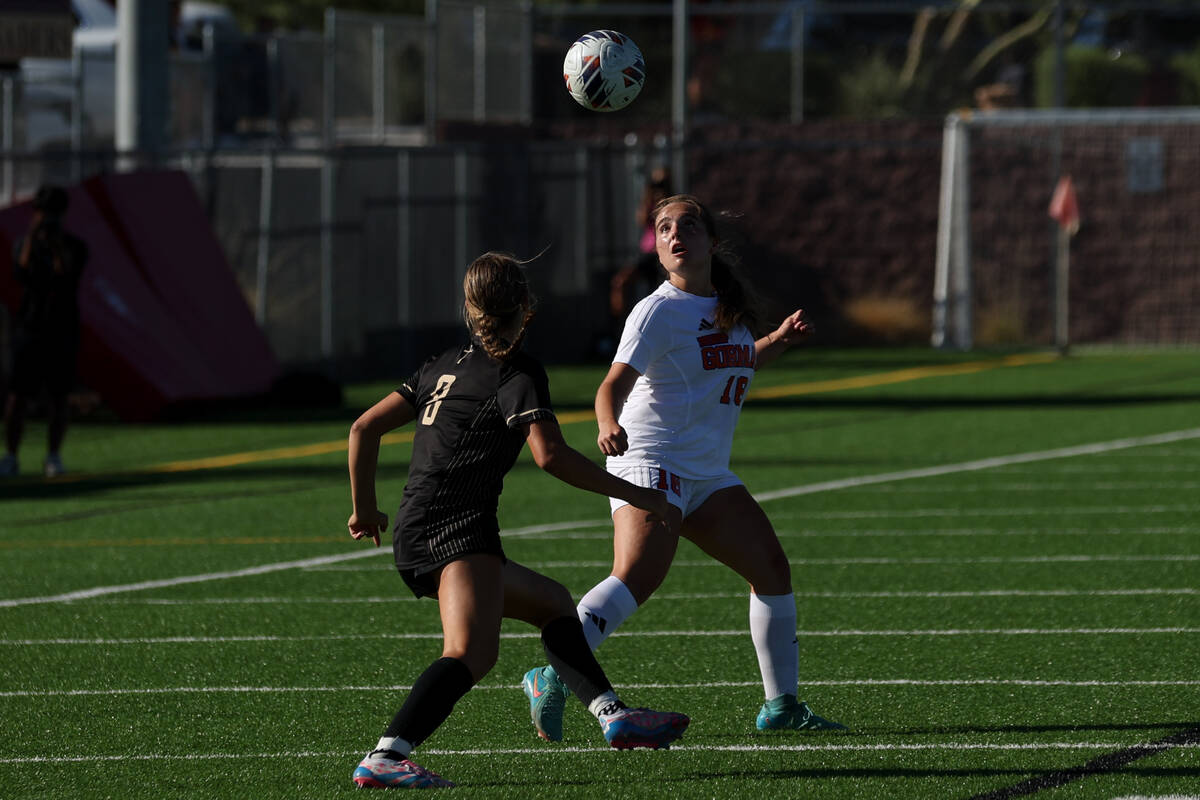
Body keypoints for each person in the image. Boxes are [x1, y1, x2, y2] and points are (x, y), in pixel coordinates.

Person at [346, 252, 689, 789]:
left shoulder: (441, 364)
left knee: (553, 602)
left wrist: (364, 510)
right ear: (526, 308)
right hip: (454, 527)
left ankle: (613, 716)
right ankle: (387, 755)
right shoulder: (518, 371)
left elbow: (363, 428)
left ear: (469, 307)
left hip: (423, 524)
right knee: (471, 653)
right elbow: (550, 456)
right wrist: (639, 495)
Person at [522, 194, 845, 742]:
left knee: (771, 568)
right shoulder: (656, 310)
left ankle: (782, 706)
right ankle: (551, 675)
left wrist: (779, 342)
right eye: (665, 227)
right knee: (640, 574)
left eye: (688, 226)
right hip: (650, 459)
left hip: (707, 473)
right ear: (661, 248)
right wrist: (606, 424)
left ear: (712, 243)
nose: (676, 235)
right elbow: (612, 385)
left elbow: (733, 360)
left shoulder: (727, 307)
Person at [1, 185, 88, 478]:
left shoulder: (73, 246)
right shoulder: (24, 244)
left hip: (61, 328)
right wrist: (32, 239)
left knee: (59, 395)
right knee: (17, 396)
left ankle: (53, 455)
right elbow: (20, 272)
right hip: (29, 326)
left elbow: (67, 271)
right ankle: (11, 455)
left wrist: (54, 244)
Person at [608, 168, 671, 330]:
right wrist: (648, 194)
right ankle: (619, 326)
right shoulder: (649, 202)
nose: (659, 187)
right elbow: (642, 220)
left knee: (661, 295)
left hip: (663, 254)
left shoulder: (672, 203)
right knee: (620, 282)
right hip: (648, 253)